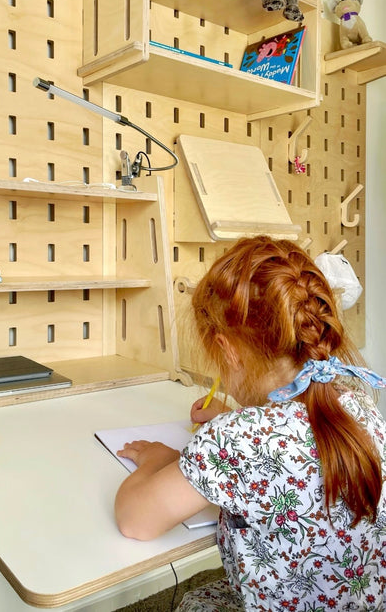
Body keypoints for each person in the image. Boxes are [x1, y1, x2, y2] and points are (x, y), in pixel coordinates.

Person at [115, 236, 386, 611]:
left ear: (229, 351)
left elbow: (135, 520)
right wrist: (236, 421)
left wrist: (158, 461)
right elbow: (295, 442)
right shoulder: (357, 402)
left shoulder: (237, 440)